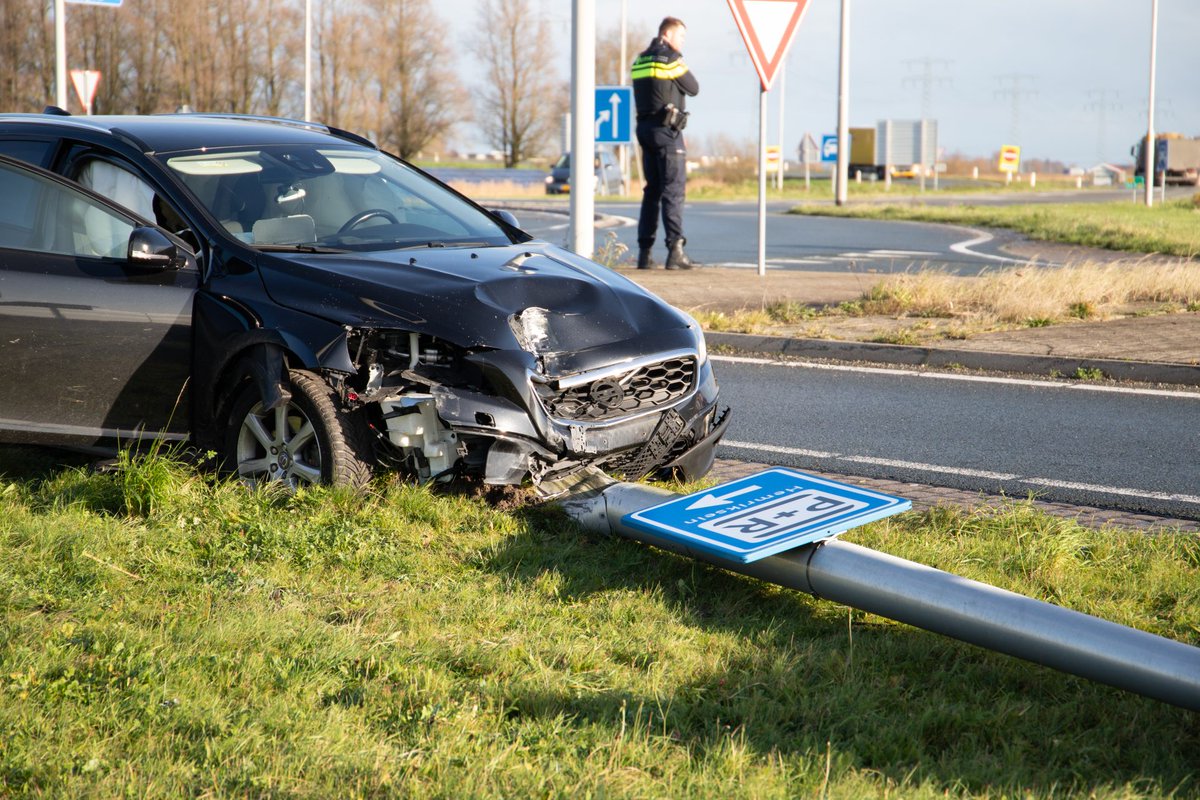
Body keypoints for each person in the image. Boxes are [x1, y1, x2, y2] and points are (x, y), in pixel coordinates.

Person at [631, 16, 698, 270]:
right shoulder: (670, 59)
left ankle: (644, 253)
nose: (681, 42)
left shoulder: (639, 59)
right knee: (673, 191)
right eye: (680, 36)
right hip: (667, 132)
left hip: (645, 129)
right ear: (668, 35)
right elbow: (693, 87)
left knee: (652, 192)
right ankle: (675, 251)